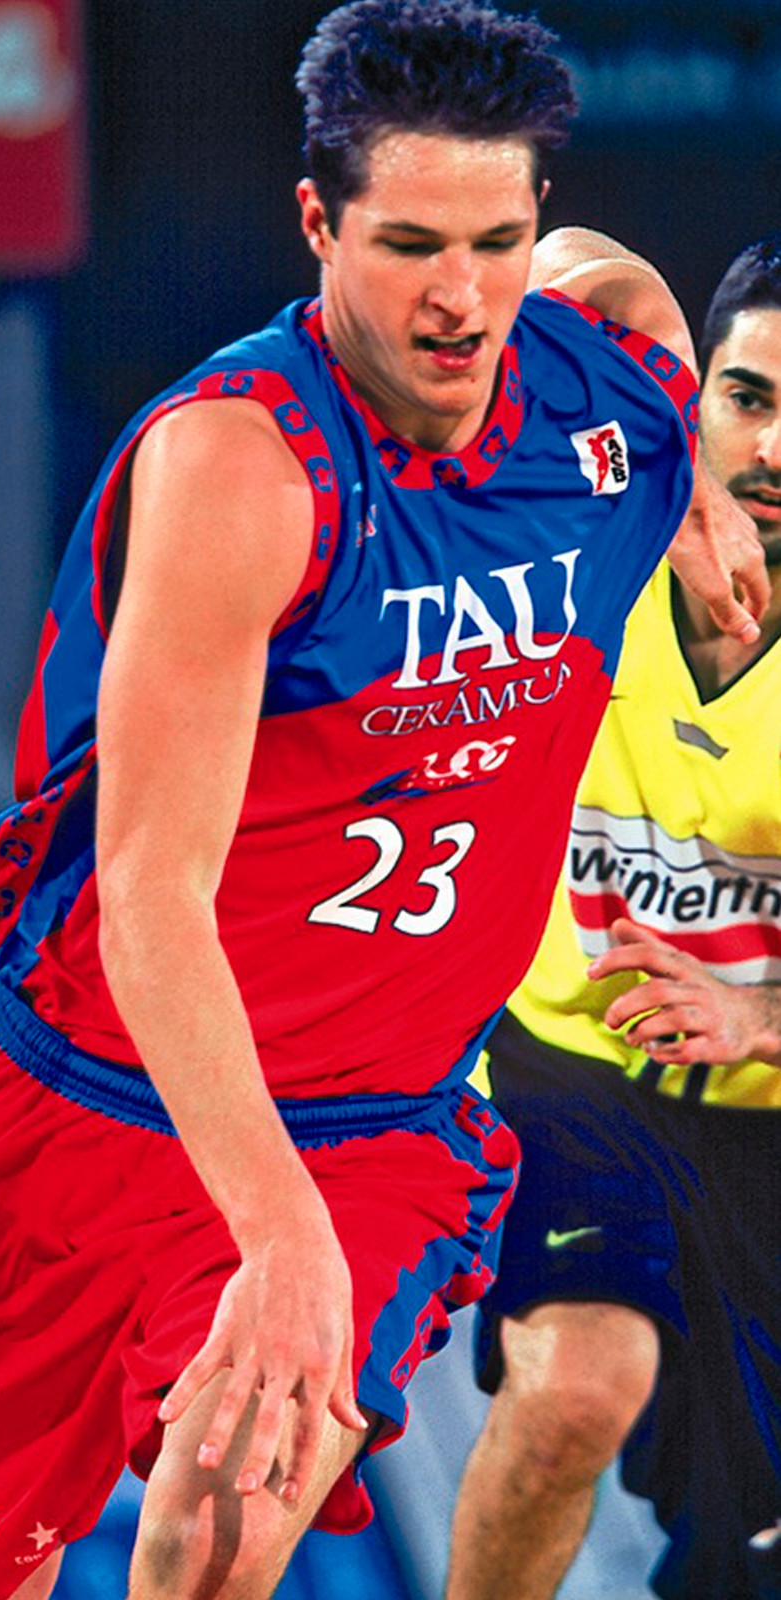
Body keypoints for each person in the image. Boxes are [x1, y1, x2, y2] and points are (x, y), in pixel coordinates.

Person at [0, 5, 765, 1599]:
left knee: (231, 1514)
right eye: (408, 244)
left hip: (363, 1120)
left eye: (495, 243)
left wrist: (690, 476)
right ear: (317, 222)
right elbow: (149, 900)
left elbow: (622, 283)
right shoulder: (244, 470)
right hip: (82, 1093)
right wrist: (272, 1235)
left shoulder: (604, 392)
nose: (459, 297)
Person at [447, 236, 781, 1600]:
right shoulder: (593, 526)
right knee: (575, 1389)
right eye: (746, 397)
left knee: (739, 1558)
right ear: (691, 395)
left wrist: (754, 1015)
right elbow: (548, 268)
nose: (771, 447)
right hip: (563, 1067)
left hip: (762, 1114)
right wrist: (678, 483)